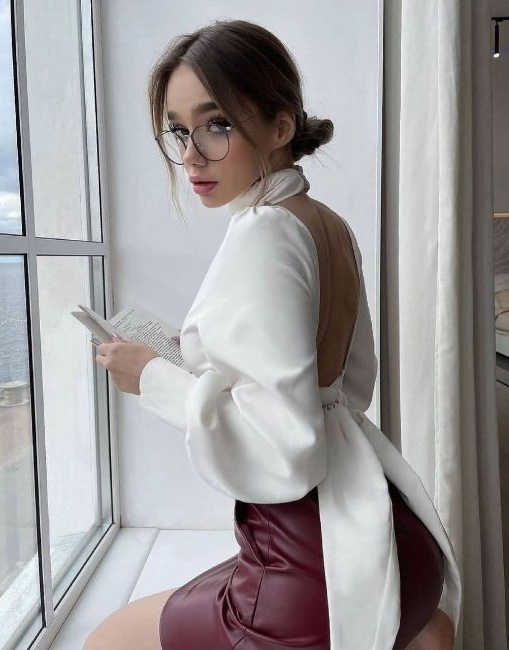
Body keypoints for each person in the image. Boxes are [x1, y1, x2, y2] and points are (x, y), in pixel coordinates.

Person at [85, 19, 461, 650]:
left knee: (106, 641)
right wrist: (203, 366)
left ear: (281, 127)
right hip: (394, 537)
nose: (192, 155)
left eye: (216, 125)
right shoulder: (325, 222)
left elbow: (287, 451)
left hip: (311, 568)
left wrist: (151, 379)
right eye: (178, 130)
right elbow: (348, 385)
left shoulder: (262, 232)